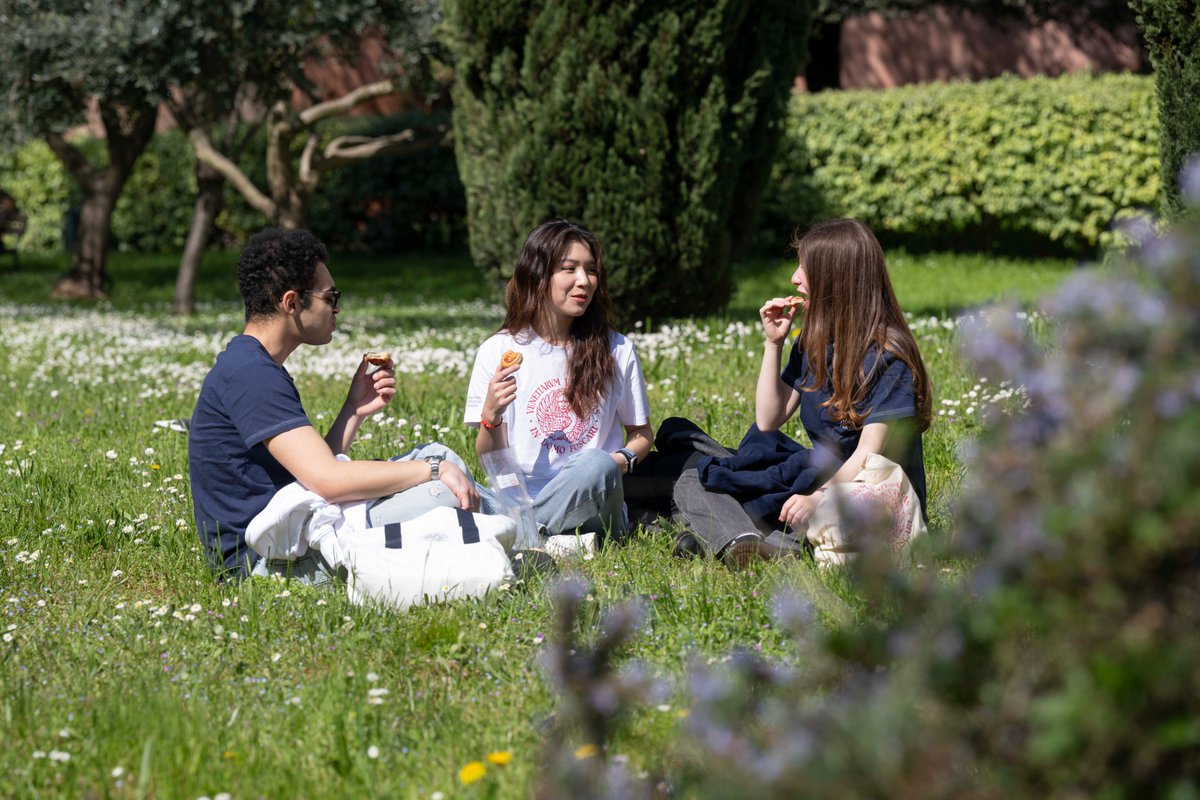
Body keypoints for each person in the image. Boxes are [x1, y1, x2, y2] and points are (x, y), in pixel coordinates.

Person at [188, 228, 479, 581]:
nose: (337, 308)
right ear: (292, 303)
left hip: (295, 535)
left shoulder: (251, 363)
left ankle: (519, 532)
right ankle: (523, 534)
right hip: (266, 565)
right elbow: (328, 481)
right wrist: (433, 470)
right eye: (330, 297)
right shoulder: (251, 374)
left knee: (439, 459)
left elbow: (307, 474)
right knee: (440, 487)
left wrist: (353, 410)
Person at [671, 218, 932, 568]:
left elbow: (868, 457)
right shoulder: (814, 342)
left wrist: (816, 498)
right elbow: (768, 419)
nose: (795, 278)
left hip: (866, 490)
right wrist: (773, 343)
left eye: (806, 268)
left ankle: (747, 538)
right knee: (694, 476)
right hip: (818, 476)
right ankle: (743, 538)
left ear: (837, 279)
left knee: (816, 509)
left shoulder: (887, 357)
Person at [464, 219, 653, 545]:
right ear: (538, 274)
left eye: (591, 270)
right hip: (518, 499)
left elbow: (641, 434)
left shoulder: (616, 349)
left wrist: (615, 465)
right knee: (443, 471)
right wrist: (491, 417)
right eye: (569, 268)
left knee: (594, 463)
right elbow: (492, 461)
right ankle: (545, 538)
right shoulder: (498, 350)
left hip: (593, 500)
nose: (584, 281)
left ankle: (521, 539)